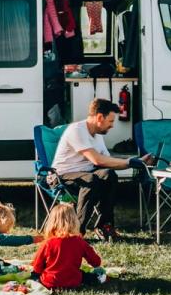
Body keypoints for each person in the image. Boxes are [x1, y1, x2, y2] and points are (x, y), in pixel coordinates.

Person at [51, 98, 153, 240]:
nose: (112, 126)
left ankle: (104, 226)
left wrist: (139, 162)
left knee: (108, 174)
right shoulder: (77, 130)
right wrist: (129, 162)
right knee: (91, 179)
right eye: (111, 121)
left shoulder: (98, 135)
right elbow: (96, 159)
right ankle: (77, 231)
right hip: (62, 175)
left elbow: (107, 162)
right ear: (99, 117)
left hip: (85, 174)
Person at [31, 203, 105, 289]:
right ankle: (98, 279)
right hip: (74, 280)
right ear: (74, 221)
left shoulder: (47, 243)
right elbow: (96, 262)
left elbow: (37, 267)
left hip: (49, 282)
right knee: (87, 276)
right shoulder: (79, 241)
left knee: (34, 274)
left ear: (51, 222)